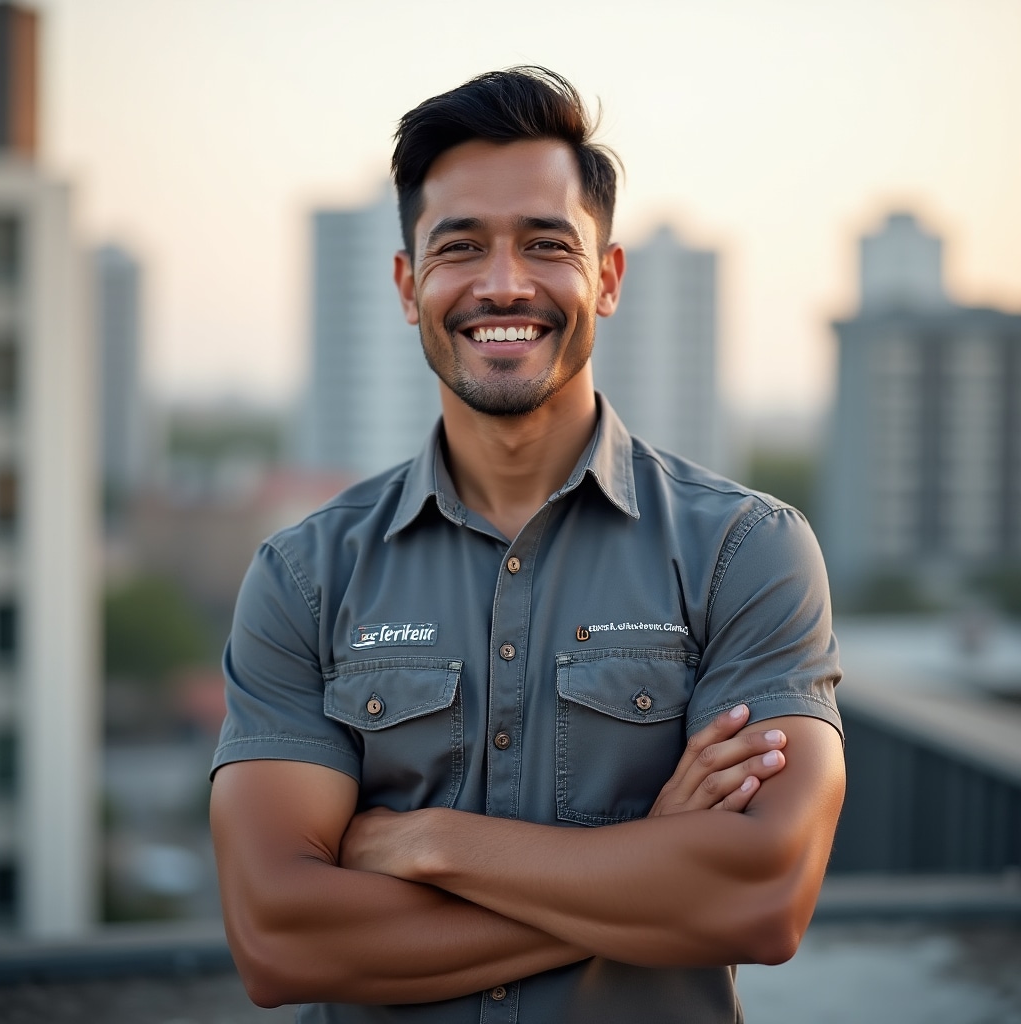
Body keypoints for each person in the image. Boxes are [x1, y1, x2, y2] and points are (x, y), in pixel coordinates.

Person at [210, 66, 845, 1023]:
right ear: (406, 283)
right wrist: (651, 869)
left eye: (546, 245)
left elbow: (761, 898)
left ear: (608, 276)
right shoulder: (305, 577)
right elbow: (280, 938)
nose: (503, 284)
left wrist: (427, 843)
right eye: (460, 247)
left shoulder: (747, 552)